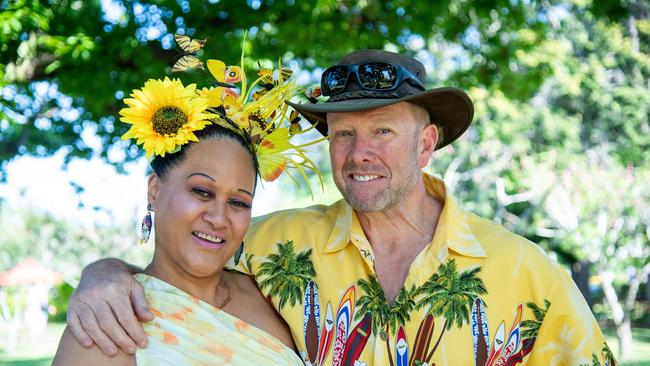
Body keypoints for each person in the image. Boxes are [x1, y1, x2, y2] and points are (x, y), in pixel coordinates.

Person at [66, 50, 616, 365]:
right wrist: (102, 274)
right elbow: (179, 270)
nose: (359, 154)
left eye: (382, 130)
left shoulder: (528, 273)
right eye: (342, 133)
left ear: (426, 144)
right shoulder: (272, 246)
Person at [53, 74, 306, 365]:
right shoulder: (107, 324)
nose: (218, 218)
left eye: (238, 202)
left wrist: (104, 269)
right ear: (155, 190)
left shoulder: (273, 293)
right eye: (201, 191)